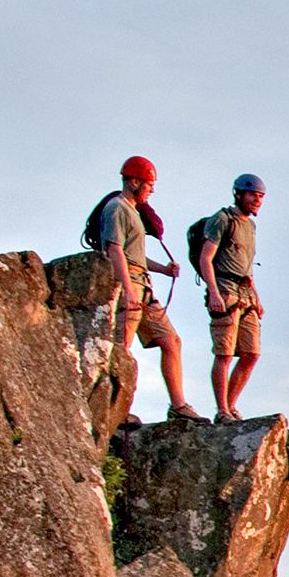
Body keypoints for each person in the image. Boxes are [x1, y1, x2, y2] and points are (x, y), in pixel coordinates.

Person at [89, 156, 201, 421]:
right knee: (122, 348)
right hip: (129, 285)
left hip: (142, 286)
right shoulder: (117, 208)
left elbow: (133, 255)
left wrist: (163, 268)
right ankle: (117, 413)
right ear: (134, 181)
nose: (151, 190)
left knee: (171, 341)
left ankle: (178, 406)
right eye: (149, 184)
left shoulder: (133, 211)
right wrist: (128, 291)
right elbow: (114, 250)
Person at [192, 172, 266, 419]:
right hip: (225, 288)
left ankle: (230, 405)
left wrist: (257, 298)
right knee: (223, 353)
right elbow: (206, 258)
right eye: (252, 195)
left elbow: (247, 264)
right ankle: (222, 410)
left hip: (246, 292)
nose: (257, 200)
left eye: (260, 196)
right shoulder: (222, 219)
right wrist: (213, 291)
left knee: (251, 353)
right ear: (239, 194)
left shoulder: (250, 226)